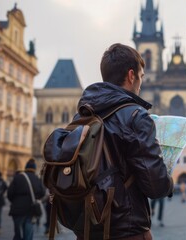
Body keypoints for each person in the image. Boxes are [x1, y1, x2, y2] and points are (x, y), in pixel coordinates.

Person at [74, 43, 173, 239]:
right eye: (141, 76)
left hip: (87, 227)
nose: (141, 83)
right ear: (131, 76)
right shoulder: (136, 116)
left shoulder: (82, 116)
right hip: (125, 228)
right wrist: (167, 178)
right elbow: (155, 186)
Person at [8, 159, 45, 240]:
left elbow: (9, 193)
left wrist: (15, 202)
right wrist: (36, 198)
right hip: (30, 210)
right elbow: (42, 193)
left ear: (25, 168)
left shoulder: (17, 177)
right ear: (34, 169)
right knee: (28, 235)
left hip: (17, 209)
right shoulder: (36, 179)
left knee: (17, 234)